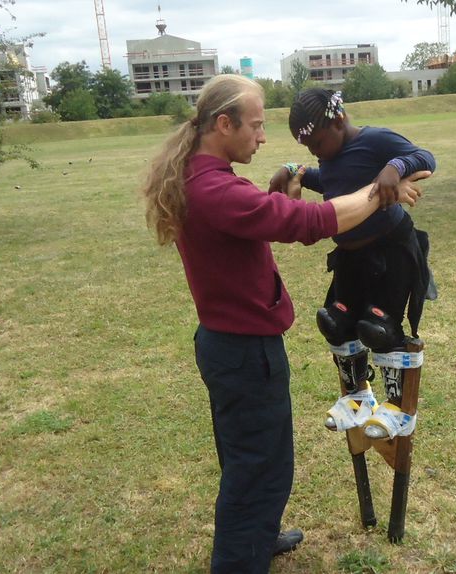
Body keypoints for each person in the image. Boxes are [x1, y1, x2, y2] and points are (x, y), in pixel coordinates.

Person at [140, 75, 427, 573]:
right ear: (223, 124)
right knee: (262, 468)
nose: (263, 136)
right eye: (255, 125)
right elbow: (309, 224)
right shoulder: (213, 189)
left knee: (247, 457)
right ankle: (240, 562)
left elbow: (282, 208)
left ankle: (259, 536)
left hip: (230, 345)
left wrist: (303, 183)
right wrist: (383, 192)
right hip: (245, 351)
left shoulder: (200, 175)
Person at [268, 89, 436, 439]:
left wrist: (394, 167)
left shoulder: (374, 140)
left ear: (339, 120)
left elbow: (424, 157)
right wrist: (292, 170)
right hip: (350, 256)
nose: (314, 151)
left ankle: (398, 409)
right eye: (307, 148)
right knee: (336, 320)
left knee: (380, 326)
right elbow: (328, 179)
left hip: (389, 249)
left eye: (316, 142)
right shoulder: (330, 155)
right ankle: (357, 397)